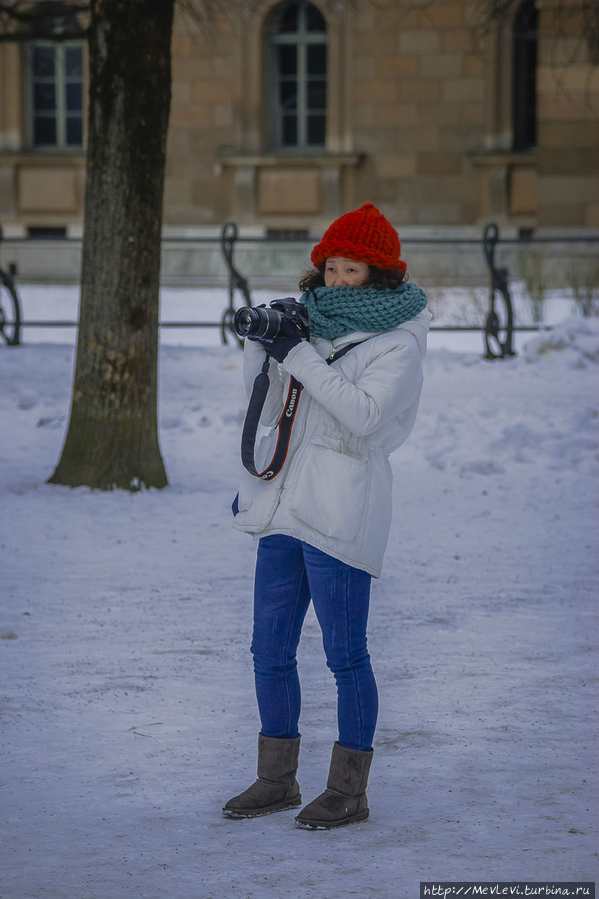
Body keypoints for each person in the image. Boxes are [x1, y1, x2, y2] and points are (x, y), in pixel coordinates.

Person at [224, 202, 431, 829]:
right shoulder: (307, 329)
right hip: (285, 504)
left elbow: (365, 416)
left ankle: (349, 790)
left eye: (353, 270)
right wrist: (264, 350)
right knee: (268, 650)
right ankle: (276, 779)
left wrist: (298, 355)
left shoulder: (398, 341)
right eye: (331, 268)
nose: (339, 280)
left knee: (345, 655)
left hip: (343, 509)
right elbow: (261, 417)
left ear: (381, 274)